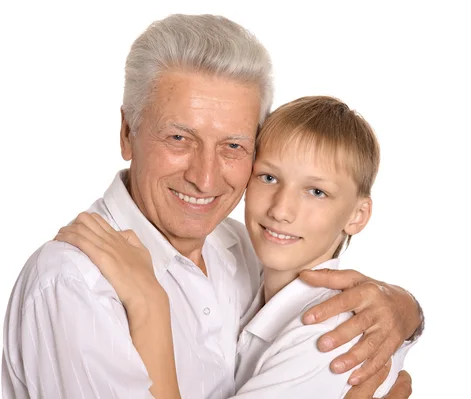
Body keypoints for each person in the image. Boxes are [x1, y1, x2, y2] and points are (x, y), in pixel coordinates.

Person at [2, 14, 423, 399]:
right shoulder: (76, 284)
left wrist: (406, 311)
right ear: (128, 133)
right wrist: (150, 305)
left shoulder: (243, 247)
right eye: (179, 139)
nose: (205, 178)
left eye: (233, 146)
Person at [55, 95, 418, 398]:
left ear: (357, 215)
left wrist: (148, 302)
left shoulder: (328, 336)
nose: (280, 209)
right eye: (269, 177)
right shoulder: (238, 262)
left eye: (317, 191)